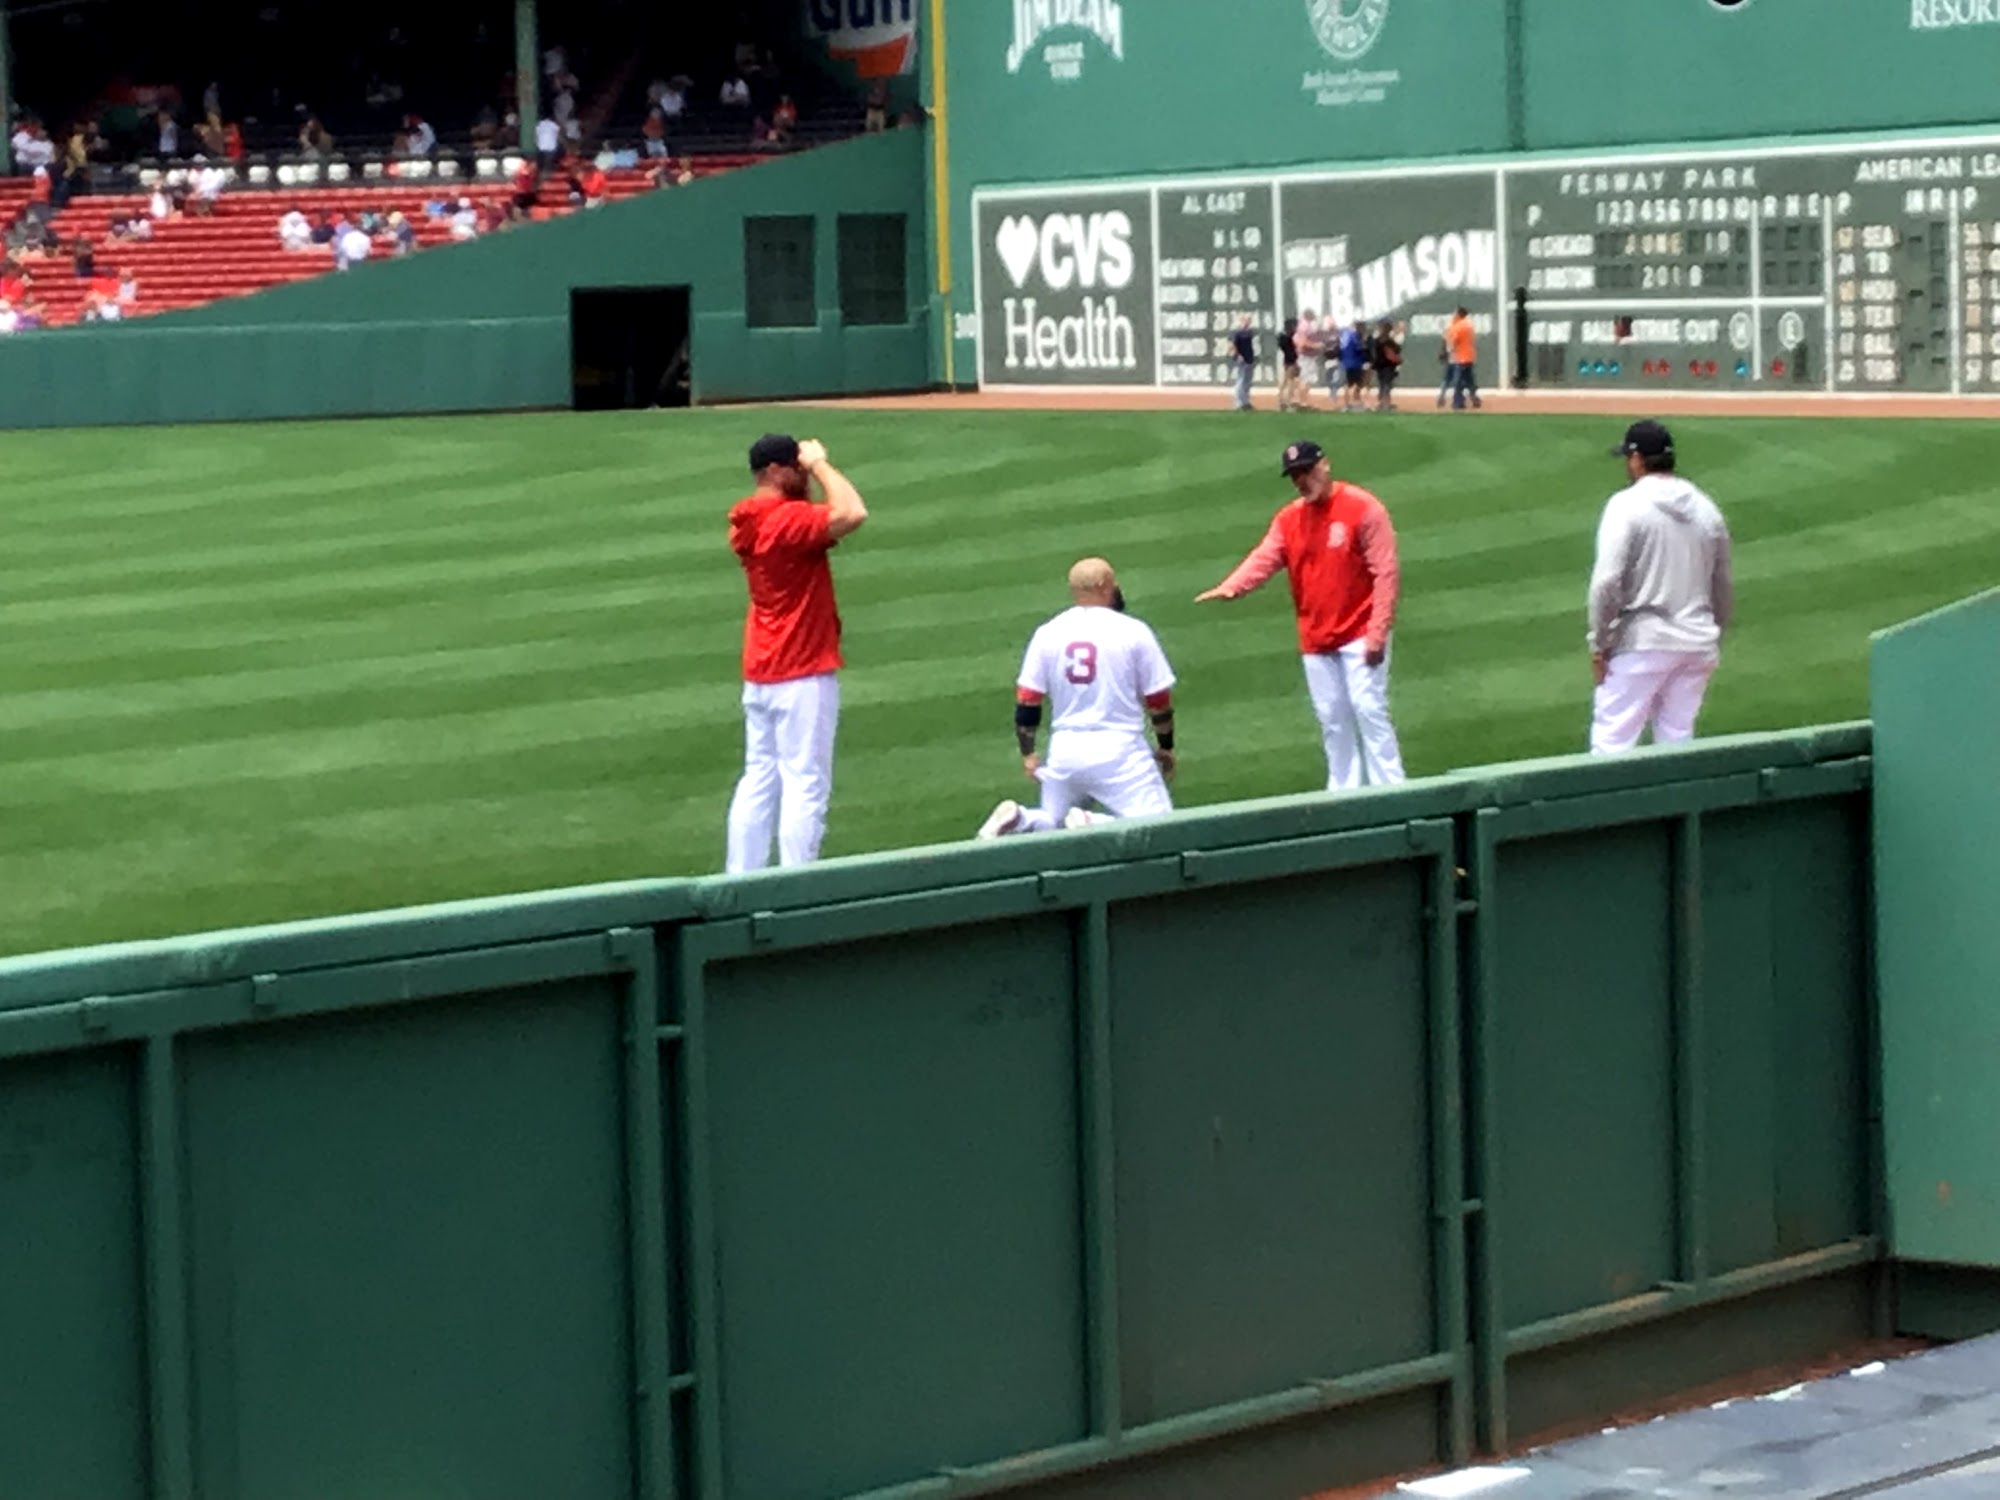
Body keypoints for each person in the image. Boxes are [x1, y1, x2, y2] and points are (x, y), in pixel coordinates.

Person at [1197, 439, 1406, 791]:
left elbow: (1385, 573)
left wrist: (1378, 632)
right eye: (1295, 475)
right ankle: (1344, 794)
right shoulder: (1290, 518)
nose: (1302, 481)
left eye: (1306, 471)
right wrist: (1232, 586)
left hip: (1360, 631)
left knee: (1369, 709)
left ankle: (1394, 791)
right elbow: (1265, 557)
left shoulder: (1363, 508)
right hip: (1316, 637)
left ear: (1325, 465)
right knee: (1332, 719)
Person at [724, 434, 870, 873]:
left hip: (761, 669)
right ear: (775, 471)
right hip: (801, 669)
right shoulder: (785, 519)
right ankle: (797, 879)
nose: (803, 475)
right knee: (805, 781)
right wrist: (822, 463)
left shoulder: (746, 520)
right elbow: (852, 511)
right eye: (797, 468)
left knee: (759, 778)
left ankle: (742, 876)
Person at [978, 558, 1177, 839]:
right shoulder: (1133, 631)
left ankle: (1022, 819)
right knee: (1160, 830)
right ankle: (1094, 823)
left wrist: (1028, 753)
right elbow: (1158, 700)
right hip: (1119, 752)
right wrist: (1165, 746)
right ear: (1104, 585)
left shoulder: (1048, 632)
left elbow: (1028, 700)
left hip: (1065, 751)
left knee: (1054, 828)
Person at [1587, 421, 1735, 754]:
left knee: (1612, 744)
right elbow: (1722, 584)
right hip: (1697, 642)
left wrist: (1599, 644)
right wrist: (1713, 635)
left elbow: (1607, 581)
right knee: (1677, 742)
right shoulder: (1707, 508)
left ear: (1637, 459)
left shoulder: (1626, 505)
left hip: (1643, 642)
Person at [1441, 306, 1482, 410]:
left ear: (1458, 315)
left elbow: (1452, 342)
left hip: (1460, 358)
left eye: (1455, 313)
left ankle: (1458, 402)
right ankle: (1474, 398)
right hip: (1469, 357)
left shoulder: (1457, 327)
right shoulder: (1469, 326)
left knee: (1458, 381)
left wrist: (1447, 352)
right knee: (1469, 380)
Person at [1277, 317, 1311, 413]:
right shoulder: (1288, 337)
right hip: (1291, 361)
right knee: (1291, 383)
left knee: (1284, 382)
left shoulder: (1282, 337)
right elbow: (1293, 348)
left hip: (1287, 361)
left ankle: (1281, 401)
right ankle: (1288, 403)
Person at [1336, 319, 1370, 411]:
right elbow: (1359, 348)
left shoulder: (1345, 335)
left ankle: (1347, 404)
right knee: (1357, 383)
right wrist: (1364, 346)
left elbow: (1341, 349)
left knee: (1348, 384)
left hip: (1347, 363)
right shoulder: (1354, 336)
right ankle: (1355, 403)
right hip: (1355, 363)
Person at [1372, 318, 1403, 411]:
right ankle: (1385, 403)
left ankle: (1383, 403)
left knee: (1384, 384)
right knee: (1386, 385)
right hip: (1387, 366)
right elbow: (1396, 350)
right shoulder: (1387, 341)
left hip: (1383, 366)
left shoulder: (1379, 340)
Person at [1229, 313, 1256, 411]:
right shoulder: (1237, 332)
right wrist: (1237, 355)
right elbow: (1232, 345)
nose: (1248, 321)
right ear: (1242, 320)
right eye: (1247, 319)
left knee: (1247, 381)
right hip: (1241, 359)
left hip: (1249, 358)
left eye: (1250, 320)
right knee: (1241, 380)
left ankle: (1246, 401)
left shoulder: (1249, 332)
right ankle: (1239, 402)